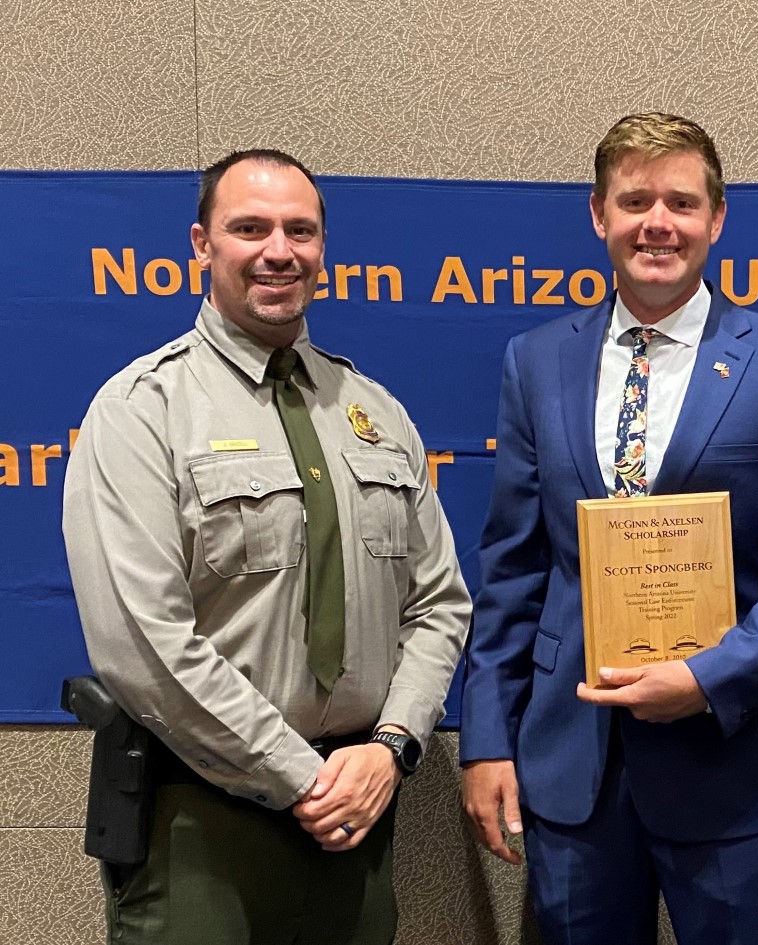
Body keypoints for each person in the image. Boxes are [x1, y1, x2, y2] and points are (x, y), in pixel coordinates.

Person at [459, 112, 758, 945]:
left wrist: (709, 677)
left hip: (727, 764)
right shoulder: (536, 360)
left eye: (682, 203)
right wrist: (485, 739)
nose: (659, 223)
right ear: (598, 214)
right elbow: (512, 566)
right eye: (636, 200)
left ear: (716, 220)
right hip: (569, 762)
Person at [62, 149, 471, 945]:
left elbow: (438, 602)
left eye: (300, 229)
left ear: (323, 249)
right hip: (204, 826)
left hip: (359, 817)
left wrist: (389, 747)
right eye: (249, 227)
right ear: (201, 245)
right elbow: (145, 645)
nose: (278, 249)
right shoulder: (142, 410)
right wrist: (301, 777)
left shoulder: (375, 410)